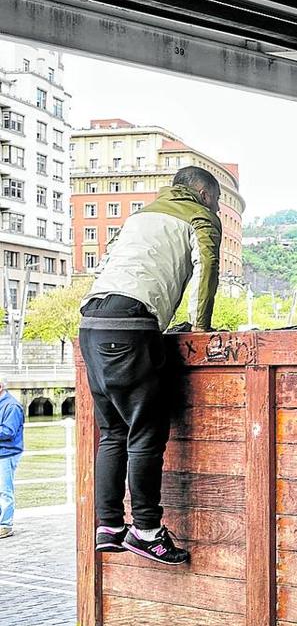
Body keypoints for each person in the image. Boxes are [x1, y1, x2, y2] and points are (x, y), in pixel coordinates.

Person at [79, 167, 223, 565]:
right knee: (146, 432)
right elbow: (207, 270)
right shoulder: (200, 216)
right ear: (205, 195)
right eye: (218, 202)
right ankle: (147, 531)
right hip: (131, 324)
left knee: (113, 432)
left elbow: (105, 264)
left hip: (91, 322)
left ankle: (108, 526)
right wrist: (201, 327)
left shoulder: (139, 216)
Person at [0, 381, 24, 539]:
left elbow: (8, 431)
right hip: (3, 452)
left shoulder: (12, 406)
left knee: (4, 489)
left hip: (7, 453)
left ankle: (5, 524)